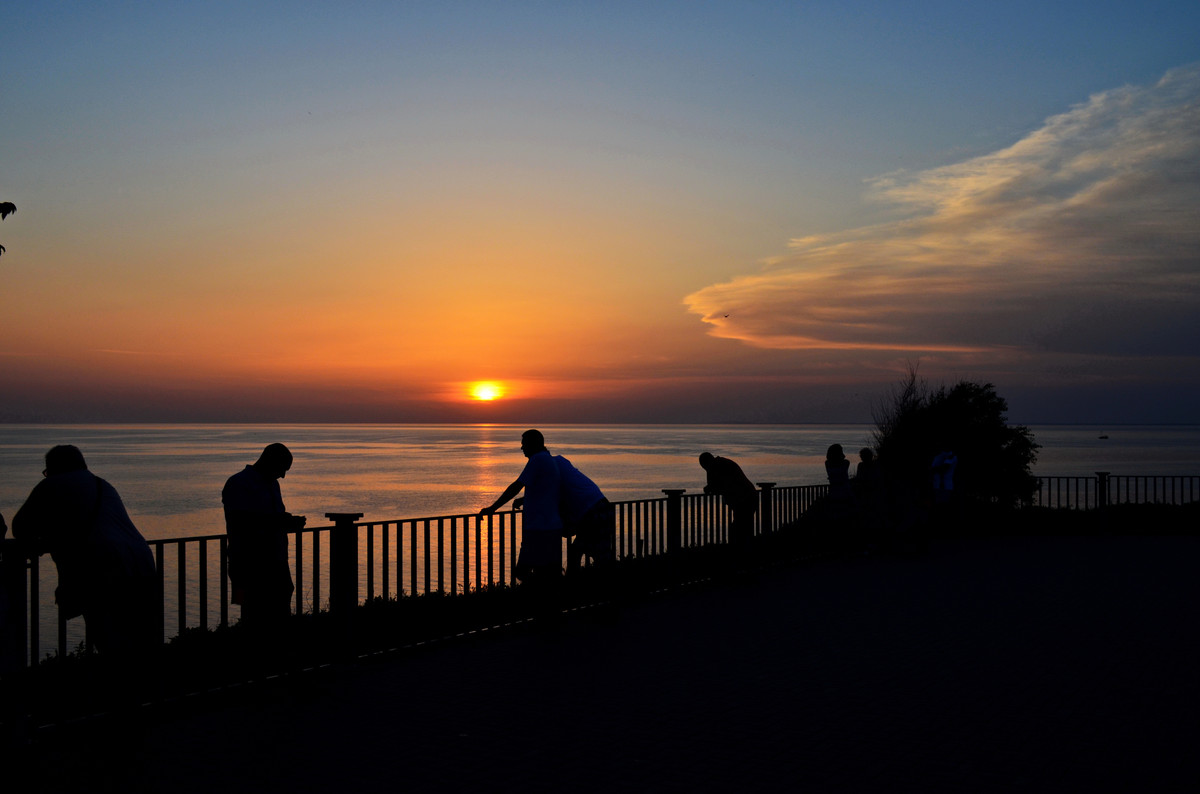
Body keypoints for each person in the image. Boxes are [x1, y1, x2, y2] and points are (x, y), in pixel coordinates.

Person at [10, 445, 157, 659]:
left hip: (103, 569)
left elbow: (20, 528)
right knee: (141, 642)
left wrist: (48, 539)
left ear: (52, 468)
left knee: (110, 641)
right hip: (142, 563)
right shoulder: (102, 485)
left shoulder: (51, 485)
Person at [222, 443, 306, 626]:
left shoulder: (272, 483)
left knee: (279, 607)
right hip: (248, 563)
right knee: (254, 613)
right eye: (282, 469)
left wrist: (288, 521)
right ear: (270, 462)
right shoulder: (238, 483)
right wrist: (282, 522)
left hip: (276, 561)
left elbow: (269, 517)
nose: (283, 475)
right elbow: (243, 522)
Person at [479, 429, 563, 588]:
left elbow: (516, 486)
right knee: (548, 573)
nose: (522, 448)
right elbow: (546, 489)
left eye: (524, 444)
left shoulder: (537, 460)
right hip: (552, 526)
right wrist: (525, 499)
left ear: (533, 444)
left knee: (523, 571)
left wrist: (492, 508)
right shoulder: (548, 459)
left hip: (539, 528)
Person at [554, 454, 615, 574]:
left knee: (583, 552)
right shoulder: (561, 462)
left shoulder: (551, 468)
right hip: (600, 507)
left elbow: (546, 493)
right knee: (596, 552)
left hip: (593, 512)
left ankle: (576, 585)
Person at [698, 452, 759, 548]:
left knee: (739, 529)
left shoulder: (717, 467)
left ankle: (740, 554)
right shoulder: (720, 463)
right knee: (744, 528)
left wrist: (709, 486)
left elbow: (716, 485)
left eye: (704, 467)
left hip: (744, 499)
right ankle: (746, 552)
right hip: (748, 497)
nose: (705, 469)